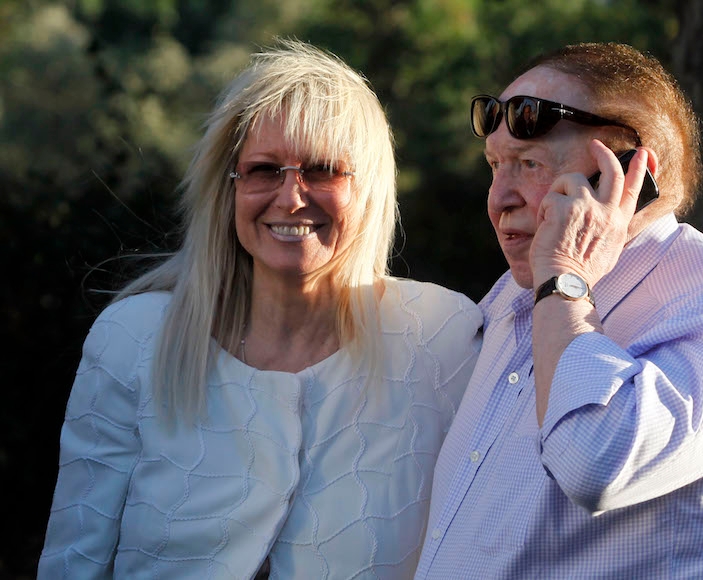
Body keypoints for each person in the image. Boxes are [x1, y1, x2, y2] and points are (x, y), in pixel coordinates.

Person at [38, 39, 482, 579]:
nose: (292, 197)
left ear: (369, 189)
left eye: (322, 170)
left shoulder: (441, 335)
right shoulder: (135, 337)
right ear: (226, 189)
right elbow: (73, 558)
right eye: (264, 170)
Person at [415, 42, 703, 579]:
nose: (498, 197)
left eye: (528, 164)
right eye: (494, 166)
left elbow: (593, 464)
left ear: (629, 172)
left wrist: (565, 280)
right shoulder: (514, 292)